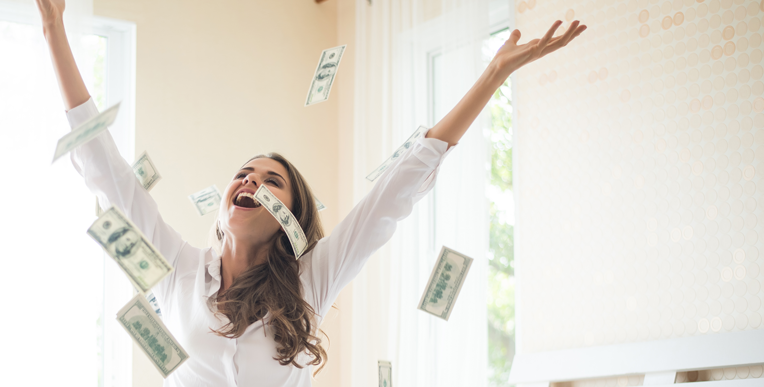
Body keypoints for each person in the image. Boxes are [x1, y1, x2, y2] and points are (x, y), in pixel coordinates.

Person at [33, 0, 585, 385]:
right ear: (227, 203)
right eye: (244, 174)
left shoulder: (310, 280)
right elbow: (103, 168)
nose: (250, 181)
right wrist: (56, 30)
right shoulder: (174, 268)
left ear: (291, 217)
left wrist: (490, 77)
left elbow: (396, 191)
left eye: (271, 180)